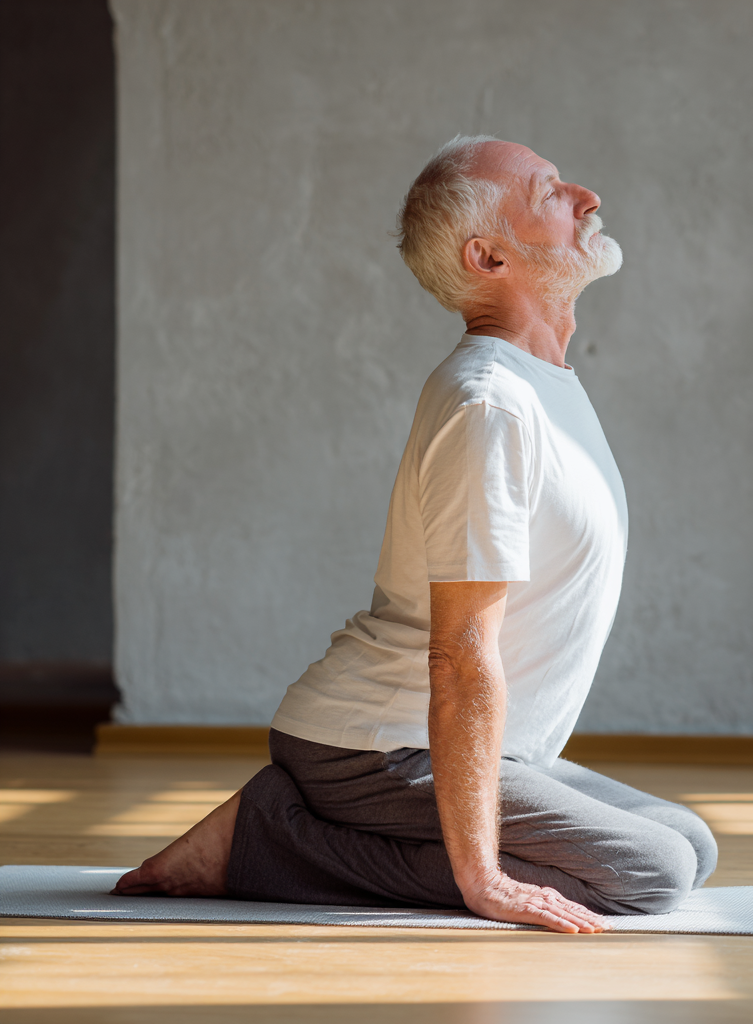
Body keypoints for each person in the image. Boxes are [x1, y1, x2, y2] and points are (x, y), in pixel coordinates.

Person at [112, 136, 717, 933]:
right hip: (375, 749)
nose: (586, 195)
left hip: (467, 748)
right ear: (488, 257)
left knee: (690, 843)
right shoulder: (490, 405)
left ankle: (293, 826)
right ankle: (264, 840)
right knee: (650, 869)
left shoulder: (542, 385)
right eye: (547, 192)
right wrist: (482, 880)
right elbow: (461, 651)